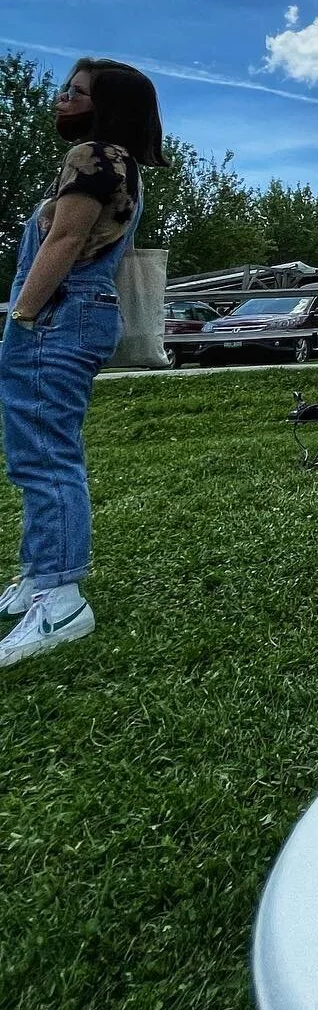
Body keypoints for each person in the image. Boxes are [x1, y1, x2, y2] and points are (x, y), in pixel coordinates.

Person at [0, 58, 167, 668]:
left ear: (107, 106)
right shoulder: (118, 164)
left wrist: (21, 315)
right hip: (78, 313)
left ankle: (61, 599)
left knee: (44, 455)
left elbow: (64, 242)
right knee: (38, 450)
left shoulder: (95, 156)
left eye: (76, 92)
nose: (62, 99)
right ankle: (37, 578)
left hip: (59, 314)